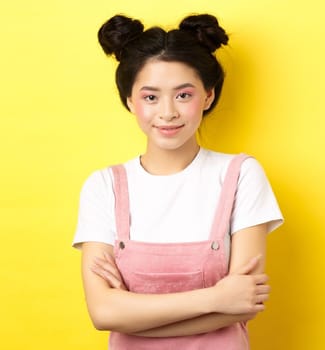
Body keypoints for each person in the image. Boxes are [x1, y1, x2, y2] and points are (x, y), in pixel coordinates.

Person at [72, 13, 283, 349]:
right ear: (130, 100)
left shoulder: (241, 175)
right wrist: (217, 297)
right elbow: (103, 312)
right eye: (150, 97)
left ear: (208, 96)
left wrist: (134, 315)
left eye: (183, 95)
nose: (167, 112)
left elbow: (243, 304)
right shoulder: (104, 187)